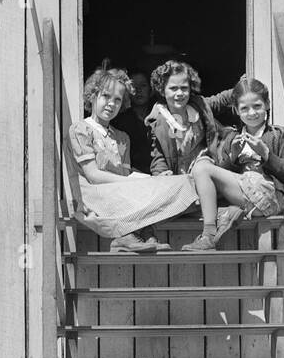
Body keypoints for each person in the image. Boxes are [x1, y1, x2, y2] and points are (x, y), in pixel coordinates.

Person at [67, 67, 197, 253]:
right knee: (149, 191)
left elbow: (126, 173)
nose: (111, 104)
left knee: (184, 181)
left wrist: (152, 179)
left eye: (117, 100)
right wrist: (132, 182)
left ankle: (140, 233)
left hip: (120, 191)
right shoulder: (80, 129)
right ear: (93, 96)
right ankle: (130, 234)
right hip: (95, 196)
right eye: (106, 96)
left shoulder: (122, 137)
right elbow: (93, 175)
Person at [145, 59, 242, 252]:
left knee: (203, 166)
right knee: (162, 196)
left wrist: (241, 87)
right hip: (179, 176)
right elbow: (157, 156)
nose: (179, 93)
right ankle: (225, 213)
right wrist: (161, 173)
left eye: (184, 88)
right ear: (162, 89)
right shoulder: (157, 120)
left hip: (205, 168)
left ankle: (209, 233)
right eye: (173, 88)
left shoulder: (199, 106)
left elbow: (222, 99)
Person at [212, 75, 284, 221]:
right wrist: (233, 158)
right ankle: (232, 212)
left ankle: (214, 226)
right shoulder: (232, 138)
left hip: (269, 200)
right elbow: (222, 177)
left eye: (257, 106)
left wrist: (266, 155)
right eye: (244, 108)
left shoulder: (278, 134)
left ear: (267, 104)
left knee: (204, 169)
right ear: (236, 110)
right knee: (204, 170)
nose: (252, 113)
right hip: (241, 197)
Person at [114, 69, 153, 174]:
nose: (138, 90)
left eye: (143, 85)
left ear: (151, 89)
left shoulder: (160, 116)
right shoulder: (120, 121)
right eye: (134, 86)